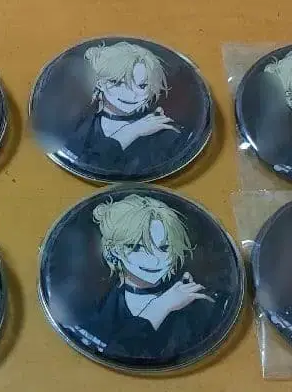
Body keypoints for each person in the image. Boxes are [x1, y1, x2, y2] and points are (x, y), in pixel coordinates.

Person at [65, 194, 218, 364]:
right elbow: (117, 353)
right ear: (114, 250)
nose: (155, 260)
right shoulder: (95, 313)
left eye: (164, 247)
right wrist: (160, 307)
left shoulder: (197, 303)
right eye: (137, 247)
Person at [66, 42, 187, 176]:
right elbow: (87, 165)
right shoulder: (80, 128)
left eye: (142, 86)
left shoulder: (165, 131)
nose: (132, 94)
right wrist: (131, 131)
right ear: (99, 83)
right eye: (119, 83)